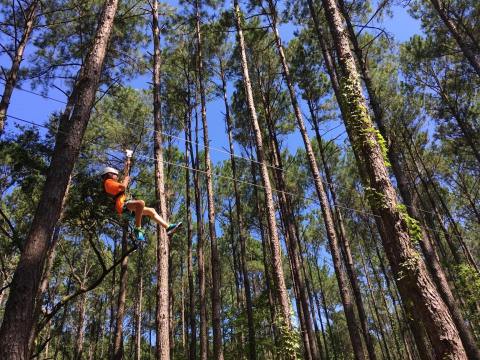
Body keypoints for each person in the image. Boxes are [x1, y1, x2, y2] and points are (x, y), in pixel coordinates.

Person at [101, 151, 182, 241]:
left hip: (125, 207)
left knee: (151, 211)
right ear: (110, 174)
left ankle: (168, 227)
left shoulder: (113, 183)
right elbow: (124, 186)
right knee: (140, 203)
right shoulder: (108, 182)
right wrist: (126, 180)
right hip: (122, 205)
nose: (117, 176)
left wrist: (128, 158)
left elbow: (126, 174)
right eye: (115, 175)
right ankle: (137, 229)